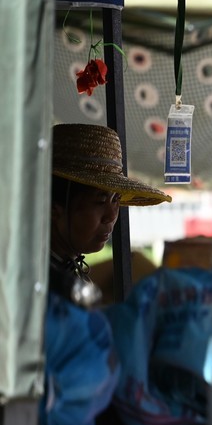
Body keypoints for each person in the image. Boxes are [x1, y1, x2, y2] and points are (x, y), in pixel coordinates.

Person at [49, 123, 171, 304]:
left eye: (116, 200)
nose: (112, 215)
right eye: (100, 201)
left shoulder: (67, 274)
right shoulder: (36, 283)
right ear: (54, 209)